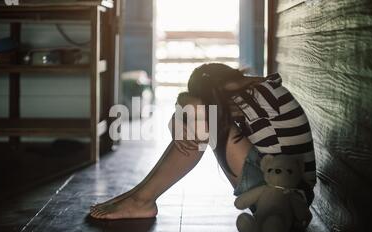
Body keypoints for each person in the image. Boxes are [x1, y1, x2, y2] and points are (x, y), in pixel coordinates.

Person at [89, 63, 316, 220]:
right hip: (272, 194)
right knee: (202, 123)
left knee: (205, 123)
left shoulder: (261, 94)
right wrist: (180, 118)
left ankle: (141, 200)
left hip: (287, 200)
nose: (213, 98)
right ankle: (137, 196)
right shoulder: (253, 92)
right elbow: (196, 110)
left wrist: (180, 112)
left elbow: (197, 110)